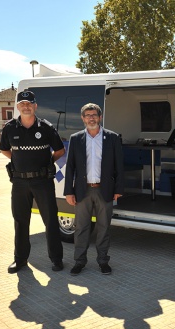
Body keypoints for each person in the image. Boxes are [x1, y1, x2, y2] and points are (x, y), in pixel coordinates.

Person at [0, 90, 66, 274]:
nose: (26, 106)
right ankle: (20, 260)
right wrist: (18, 160)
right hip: (19, 183)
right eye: (22, 104)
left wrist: (47, 164)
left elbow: (60, 150)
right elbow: (4, 150)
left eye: (29, 103)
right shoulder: (10, 128)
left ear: (35, 106)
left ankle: (56, 259)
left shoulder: (46, 127)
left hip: (42, 181)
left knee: (51, 220)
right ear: (18, 107)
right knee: (20, 221)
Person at [64, 103, 124, 276]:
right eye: (88, 115)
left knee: (104, 227)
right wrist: (69, 191)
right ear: (83, 118)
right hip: (82, 191)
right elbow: (70, 168)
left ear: (100, 117)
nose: (91, 118)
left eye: (94, 115)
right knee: (81, 228)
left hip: (104, 190)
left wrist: (118, 188)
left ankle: (103, 261)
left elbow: (119, 166)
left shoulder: (112, 138)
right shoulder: (76, 139)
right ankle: (79, 261)